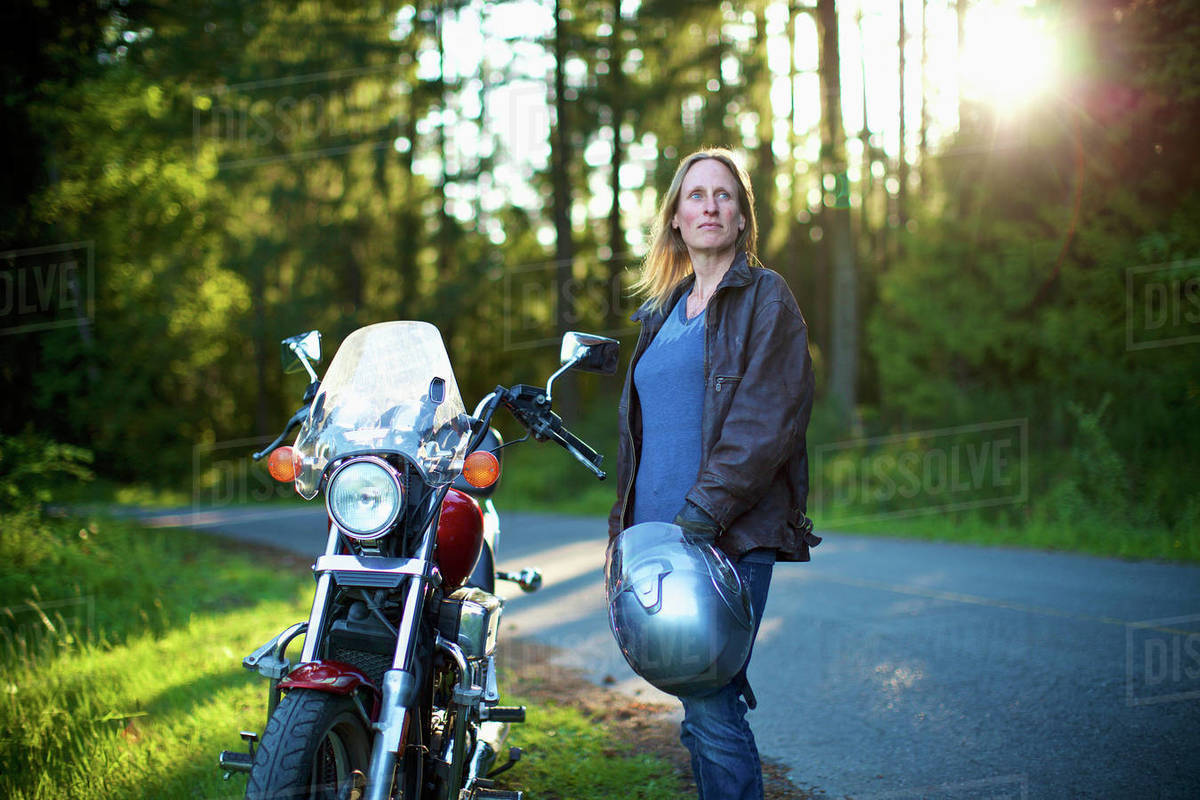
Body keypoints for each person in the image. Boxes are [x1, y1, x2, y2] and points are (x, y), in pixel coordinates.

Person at [608, 148, 819, 800]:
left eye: (723, 195)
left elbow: (767, 421)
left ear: (741, 215)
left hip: (724, 536)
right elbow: (641, 441)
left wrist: (700, 518)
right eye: (695, 195)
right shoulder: (662, 314)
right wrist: (626, 539)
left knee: (712, 704)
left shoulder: (765, 299)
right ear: (675, 216)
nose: (708, 205)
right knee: (699, 710)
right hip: (657, 542)